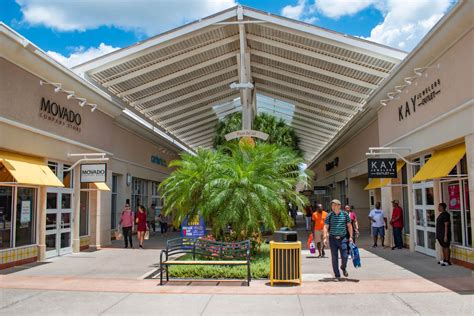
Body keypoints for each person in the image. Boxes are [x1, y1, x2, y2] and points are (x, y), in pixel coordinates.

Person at [323, 199, 353, 280]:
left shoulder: (345, 214)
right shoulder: (329, 215)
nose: (333, 207)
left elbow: (349, 226)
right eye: (332, 205)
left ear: (339, 206)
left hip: (343, 239)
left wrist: (351, 237)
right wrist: (325, 238)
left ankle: (343, 267)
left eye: (334, 205)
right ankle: (337, 275)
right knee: (334, 257)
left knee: (345, 256)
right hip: (332, 239)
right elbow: (326, 226)